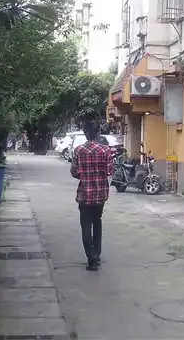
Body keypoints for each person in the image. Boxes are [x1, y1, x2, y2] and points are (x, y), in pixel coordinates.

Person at [70, 115, 114, 271]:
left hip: (84, 194)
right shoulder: (105, 150)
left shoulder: (78, 150)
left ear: (85, 133)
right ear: (97, 133)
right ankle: (97, 254)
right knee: (97, 221)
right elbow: (109, 171)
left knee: (86, 225)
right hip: (100, 194)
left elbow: (74, 172)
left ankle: (91, 259)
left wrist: (85, 175)